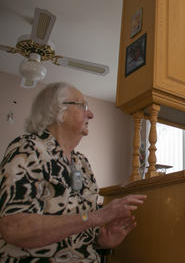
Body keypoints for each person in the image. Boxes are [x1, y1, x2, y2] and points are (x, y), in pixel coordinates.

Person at [0, 82, 147, 262]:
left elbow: (83, 228)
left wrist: (103, 239)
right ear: (58, 111)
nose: (91, 114)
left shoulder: (82, 164)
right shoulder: (28, 149)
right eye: (83, 106)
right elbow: (15, 228)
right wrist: (96, 217)